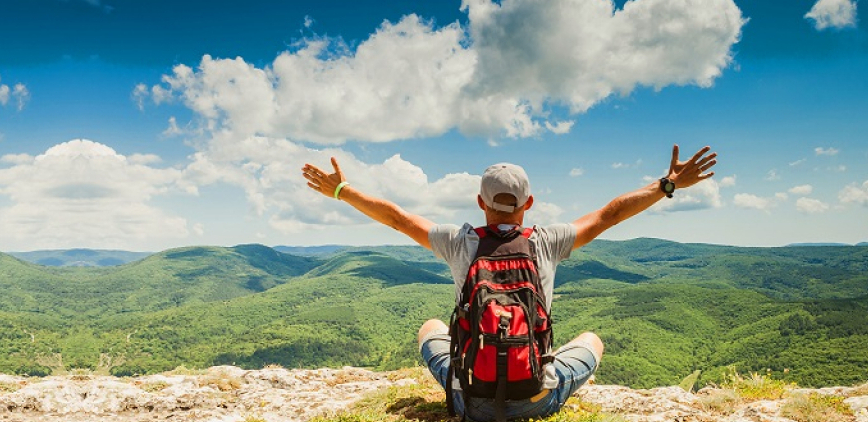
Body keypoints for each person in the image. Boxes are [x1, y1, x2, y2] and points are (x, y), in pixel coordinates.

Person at [301, 144, 716, 421]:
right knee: (591, 339)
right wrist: (668, 185)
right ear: (529, 204)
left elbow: (396, 217)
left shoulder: (458, 241)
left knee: (430, 328)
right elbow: (609, 214)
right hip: (536, 399)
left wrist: (342, 190)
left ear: (481, 203)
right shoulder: (548, 241)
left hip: (470, 403)